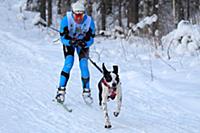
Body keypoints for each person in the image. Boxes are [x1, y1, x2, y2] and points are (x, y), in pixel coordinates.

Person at [55, 1, 95, 103]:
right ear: (72, 14)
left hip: (82, 44)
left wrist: (85, 43)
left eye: (80, 16)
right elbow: (62, 38)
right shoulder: (66, 20)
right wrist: (70, 41)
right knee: (69, 63)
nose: (78, 19)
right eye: (76, 16)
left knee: (84, 65)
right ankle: (61, 91)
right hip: (70, 44)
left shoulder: (90, 22)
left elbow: (91, 39)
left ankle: (86, 92)